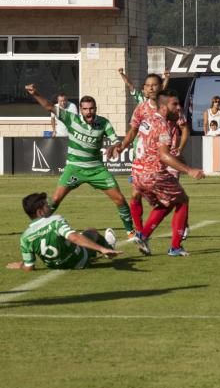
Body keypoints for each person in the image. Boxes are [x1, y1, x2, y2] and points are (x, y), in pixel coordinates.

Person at [23, 84, 139, 243]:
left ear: (95, 109)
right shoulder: (71, 118)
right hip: (74, 168)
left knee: (119, 199)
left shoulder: (104, 123)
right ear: (80, 109)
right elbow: (49, 106)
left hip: (96, 169)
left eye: (91, 108)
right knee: (55, 200)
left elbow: (115, 141)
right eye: (85, 109)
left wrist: (115, 147)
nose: (89, 112)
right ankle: (38, 228)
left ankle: (130, 231)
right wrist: (35, 93)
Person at [112, 90, 205, 255]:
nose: (178, 107)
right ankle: (175, 247)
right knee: (183, 200)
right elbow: (163, 155)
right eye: (174, 104)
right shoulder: (163, 125)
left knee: (166, 202)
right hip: (153, 173)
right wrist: (189, 170)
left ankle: (143, 235)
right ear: (163, 106)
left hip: (137, 174)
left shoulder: (149, 119)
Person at [118, 74, 189, 241]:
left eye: (155, 85)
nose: (151, 88)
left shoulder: (170, 106)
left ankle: (179, 230)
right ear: (144, 88)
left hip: (167, 157)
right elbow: (133, 131)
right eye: (148, 85)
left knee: (173, 198)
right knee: (136, 195)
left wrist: (179, 149)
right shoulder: (141, 108)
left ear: (160, 87)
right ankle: (140, 232)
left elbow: (184, 128)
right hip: (143, 160)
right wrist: (122, 146)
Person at [7, 192, 121, 271]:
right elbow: (74, 237)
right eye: (46, 205)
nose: (49, 207)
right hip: (79, 261)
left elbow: (29, 267)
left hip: (55, 267)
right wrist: (102, 249)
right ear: (40, 212)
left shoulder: (25, 237)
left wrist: (21, 265)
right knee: (90, 231)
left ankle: (101, 250)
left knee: (72, 239)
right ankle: (108, 248)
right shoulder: (55, 221)